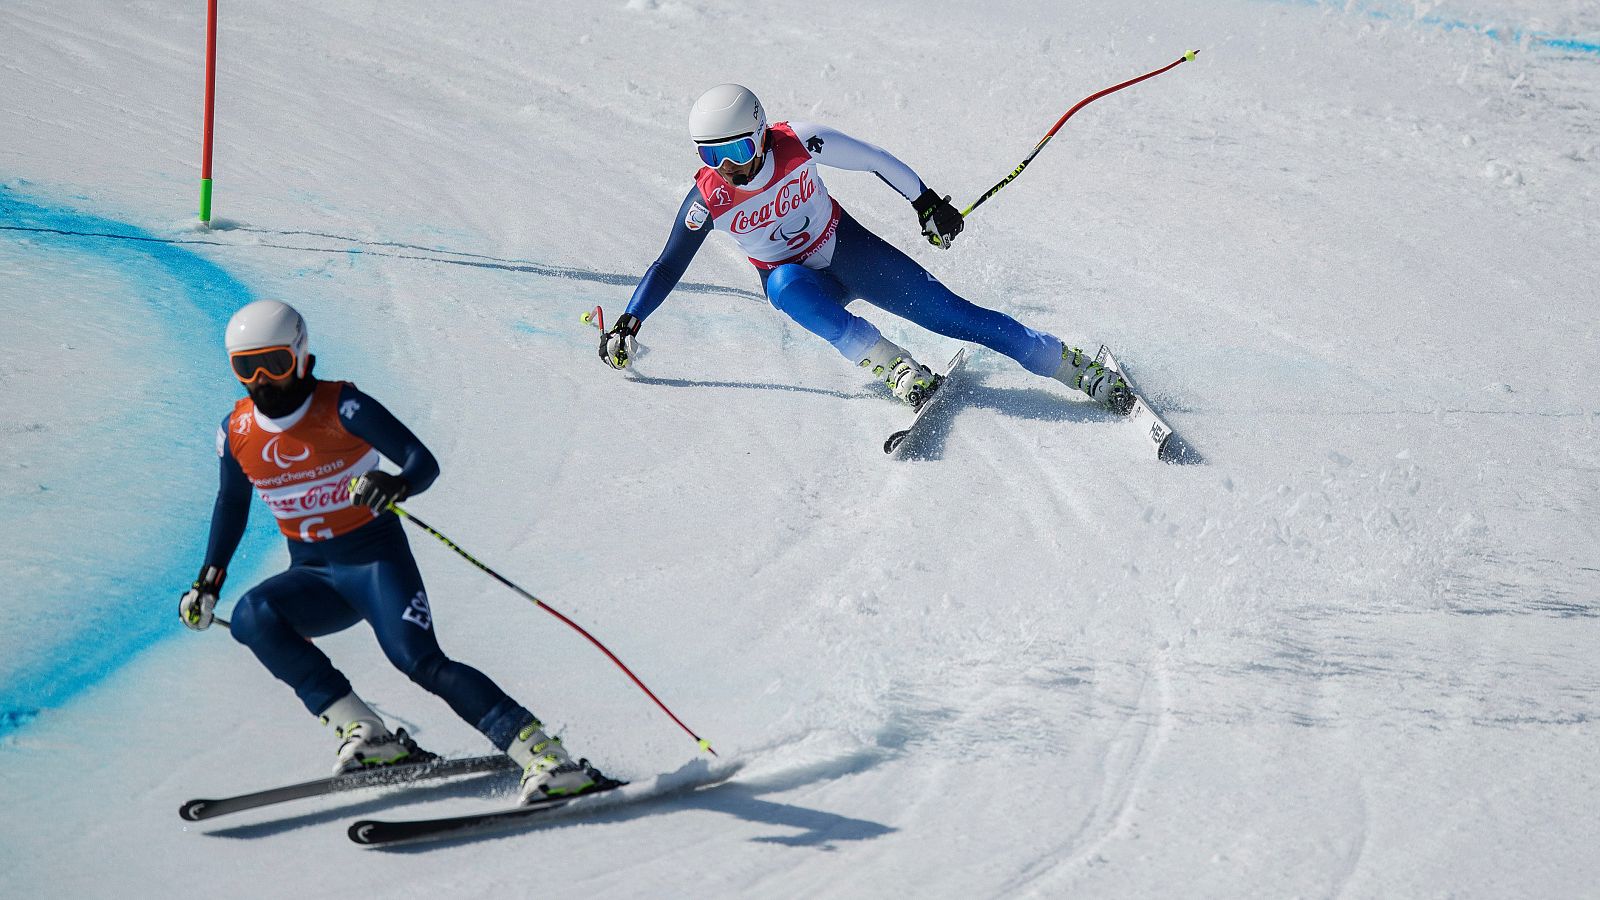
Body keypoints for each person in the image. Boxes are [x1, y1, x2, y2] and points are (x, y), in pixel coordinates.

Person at [179, 299, 603, 804]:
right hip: (316, 578)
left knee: (419, 661)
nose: (263, 380)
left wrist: (394, 483)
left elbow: (422, 462)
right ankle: (368, 735)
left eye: (275, 363)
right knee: (252, 616)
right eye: (247, 368)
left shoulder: (342, 407)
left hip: (375, 564)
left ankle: (546, 757)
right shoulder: (237, 432)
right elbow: (231, 502)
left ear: (300, 354)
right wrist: (209, 581)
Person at [598, 83, 1132, 412]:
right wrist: (630, 320)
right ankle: (894, 366)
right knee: (781, 287)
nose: (730, 167)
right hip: (799, 279)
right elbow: (669, 264)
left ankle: (1070, 365)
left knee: (954, 316)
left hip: (846, 249)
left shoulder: (797, 140)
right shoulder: (709, 199)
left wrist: (925, 203)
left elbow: (874, 158)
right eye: (712, 156)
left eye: (737, 149)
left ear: (759, 133)